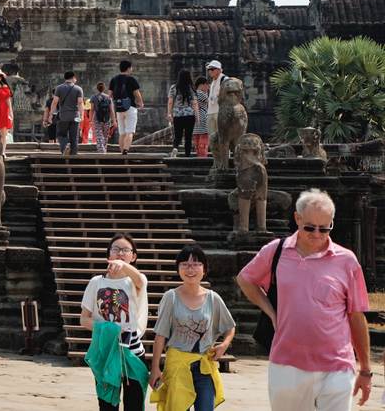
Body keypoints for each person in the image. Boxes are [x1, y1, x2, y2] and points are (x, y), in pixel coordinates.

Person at [237, 189, 371, 411]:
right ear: (297, 219)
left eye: (324, 228)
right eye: (309, 227)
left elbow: (356, 316)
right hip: (288, 364)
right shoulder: (276, 251)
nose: (317, 234)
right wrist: (270, 310)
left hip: (337, 365)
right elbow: (245, 279)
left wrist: (365, 369)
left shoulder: (347, 260)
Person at [150, 246, 235, 411]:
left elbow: (229, 327)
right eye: (185, 264)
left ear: (204, 269)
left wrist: (224, 345)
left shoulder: (213, 298)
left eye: (195, 264)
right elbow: (160, 334)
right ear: (178, 269)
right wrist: (155, 368)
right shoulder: (171, 297)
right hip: (177, 367)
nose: (190, 269)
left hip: (204, 367)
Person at [81, 233, 149, 411]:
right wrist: (109, 328)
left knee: (134, 405)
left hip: (132, 352)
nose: (121, 253)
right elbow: (84, 319)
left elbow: (140, 279)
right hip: (106, 351)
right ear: (108, 254)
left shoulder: (135, 282)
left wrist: (124, 266)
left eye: (126, 250)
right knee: (107, 405)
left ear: (133, 256)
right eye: (116, 249)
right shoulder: (96, 282)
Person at [109, 60, 143, 155]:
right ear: (128, 68)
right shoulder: (131, 79)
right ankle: (126, 151)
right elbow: (137, 93)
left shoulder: (114, 80)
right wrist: (140, 102)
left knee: (122, 133)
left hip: (119, 108)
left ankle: (122, 153)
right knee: (130, 131)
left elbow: (110, 96)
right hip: (130, 107)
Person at [49, 71, 84, 155]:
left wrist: (51, 114)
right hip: (75, 116)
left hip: (63, 116)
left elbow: (55, 102)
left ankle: (64, 147)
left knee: (60, 134)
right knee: (74, 137)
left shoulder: (59, 88)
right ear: (73, 78)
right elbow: (80, 102)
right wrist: (82, 115)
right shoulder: (78, 89)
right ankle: (73, 156)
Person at [167, 69, 198, 158]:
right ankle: (187, 156)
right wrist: (197, 116)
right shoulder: (191, 88)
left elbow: (170, 102)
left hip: (178, 114)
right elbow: (195, 102)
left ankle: (175, 147)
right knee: (188, 137)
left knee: (178, 135)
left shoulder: (174, 87)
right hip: (189, 114)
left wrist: (169, 114)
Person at [205, 60, 228, 155]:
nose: (210, 71)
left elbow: (230, 93)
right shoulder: (213, 81)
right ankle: (216, 156)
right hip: (211, 110)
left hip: (220, 110)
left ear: (218, 70)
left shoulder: (225, 79)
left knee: (221, 134)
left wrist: (221, 94)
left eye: (212, 69)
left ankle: (224, 155)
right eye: (209, 69)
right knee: (211, 135)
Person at [91, 82, 117, 154]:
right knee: (105, 138)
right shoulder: (108, 98)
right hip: (107, 120)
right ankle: (104, 152)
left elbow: (92, 110)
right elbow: (111, 110)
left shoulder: (93, 97)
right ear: (104, 88)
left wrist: (90, 120)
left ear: (97, 88)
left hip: (97, 119)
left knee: (99, 137)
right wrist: (114, 121)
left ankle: (101, 153)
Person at [193, 77, 210, 158]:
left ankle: (199, 157)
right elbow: (210, 101)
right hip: (203, 117)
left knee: (197, 141)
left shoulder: (194, 93)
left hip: (195, 118)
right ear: (201, 85)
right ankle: (203, 158)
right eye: (206, 84)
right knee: (203, 141)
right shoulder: (200, 93)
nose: (207, 86)